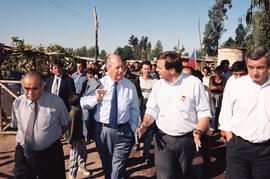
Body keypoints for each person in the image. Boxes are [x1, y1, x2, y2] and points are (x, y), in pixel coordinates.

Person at [138, 51, 211, 178]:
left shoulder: (193, 84)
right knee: (164, 175)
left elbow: (204, 113)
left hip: (188, 140)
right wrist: (145, 123)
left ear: (172, 70)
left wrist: (199, 131)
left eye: (160, 68)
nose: (156, 70)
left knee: (184, 174)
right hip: (163, 140)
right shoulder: (158, 85)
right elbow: (151, 110)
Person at [80, 54, 140, 179]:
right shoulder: (98, 84)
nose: (121, 71)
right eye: (117, 68)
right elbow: (83, 103)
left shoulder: (130, 86)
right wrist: (96, 98)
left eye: (122, 67)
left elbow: (135, 110)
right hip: (103, 132)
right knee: (107, 167)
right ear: (108, 69)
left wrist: (132, 128)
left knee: (117, 169)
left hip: (124, 132)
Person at [219, 46, 270, 178]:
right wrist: (230, 140)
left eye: (260, 67)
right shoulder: (235, 86)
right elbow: (225, 115)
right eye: (250, 67)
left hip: (266, 152)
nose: (254, 72)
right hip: (239, 148)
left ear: (268, 67)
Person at [11, 71, 70, 179]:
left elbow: (65, 125)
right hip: (24, 155)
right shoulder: (17, 103)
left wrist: (48, 138)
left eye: (34, 88)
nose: (30, 93)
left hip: (51, 155)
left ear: (43, 85)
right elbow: (17, 126)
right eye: (26, 88)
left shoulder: (57, 102)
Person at [65, 94, 91, 179]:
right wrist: (69, 141)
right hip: (74, 139)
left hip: (80, 137)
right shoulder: (73, 113)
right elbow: (70, 128)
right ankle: (72, 175)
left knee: (83, 154)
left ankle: (82, 167)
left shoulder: (79, 110)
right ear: (79, 102)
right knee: (74, 158)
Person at [138, 61, 157, 163]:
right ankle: (137, 143)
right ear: (141, 69)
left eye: (148, 68)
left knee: (149, 131)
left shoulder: (155, 82)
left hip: (150, 109)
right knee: (138, 128)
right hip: (139, 108)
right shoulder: (138, 81)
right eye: (144, 69)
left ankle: (146, 153)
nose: (146, 71)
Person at [209, 65, 226, 132]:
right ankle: (212, 127)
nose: (219, 73)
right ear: (216, 71)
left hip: (220, 96)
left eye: (221, 72)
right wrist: (219, 87)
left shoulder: (223, 79)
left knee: (219, 112)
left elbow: (223, 88)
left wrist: (216, 87)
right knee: (213, 112)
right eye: (218, 71)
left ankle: (218, 127)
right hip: (213, 96)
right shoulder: (212, 78)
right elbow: (211, 87)